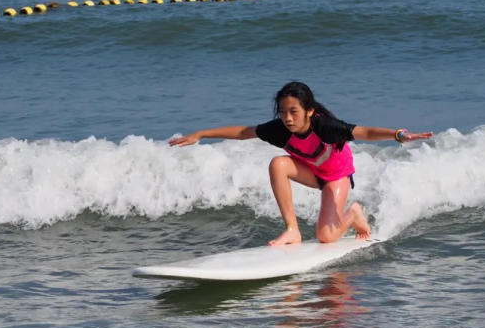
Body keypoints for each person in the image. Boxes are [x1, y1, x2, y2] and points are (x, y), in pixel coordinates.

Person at [169, 81, 432, 246]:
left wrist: (397, 135)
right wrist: (201, 134)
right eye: (282, 112)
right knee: (278, 164)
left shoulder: (325, 126)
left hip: (335, 175)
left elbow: (364, 132)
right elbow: (243, 132)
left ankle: (353, 213)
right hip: (311, 171)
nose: (287, 118)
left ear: (308, 110)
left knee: (326, 237)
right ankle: (292, 230)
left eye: (293, 112)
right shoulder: (280, 129)